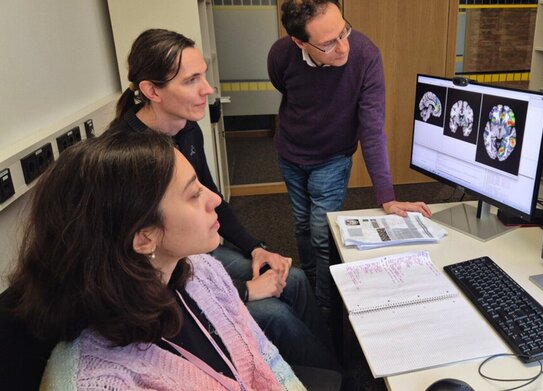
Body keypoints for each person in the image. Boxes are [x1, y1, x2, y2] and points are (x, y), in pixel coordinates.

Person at [108, 28, 337, 370]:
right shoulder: (126, 159)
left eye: (204, 75)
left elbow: (215, 200)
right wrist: (245, 290)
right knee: (276, 315)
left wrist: (256, 248)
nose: (207, 89)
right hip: (164, 275)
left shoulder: (186, 129)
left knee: (296, 278)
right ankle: (333, 378)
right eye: (191, 80)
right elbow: (140, 272)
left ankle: (333, 361)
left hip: (199, 252)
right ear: (151, 90)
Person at [3, 131, 304, 390]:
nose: (214, 200)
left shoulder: (204, 271)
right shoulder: (96, 381)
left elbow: (268, 363)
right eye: (194, 194)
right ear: (144, 238)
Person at [268, 0, 432, 308]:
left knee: (321, 232)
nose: (343, 47)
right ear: (300, 42)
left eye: (344, 31)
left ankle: (325, 306)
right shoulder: (281, 54)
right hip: (290, 151)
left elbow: (372, 129)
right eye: (329, 43)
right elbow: (283, 86)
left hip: (332, 157)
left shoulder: (366, 55)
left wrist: (387, 195)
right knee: (302, 224)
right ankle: (311, 285)